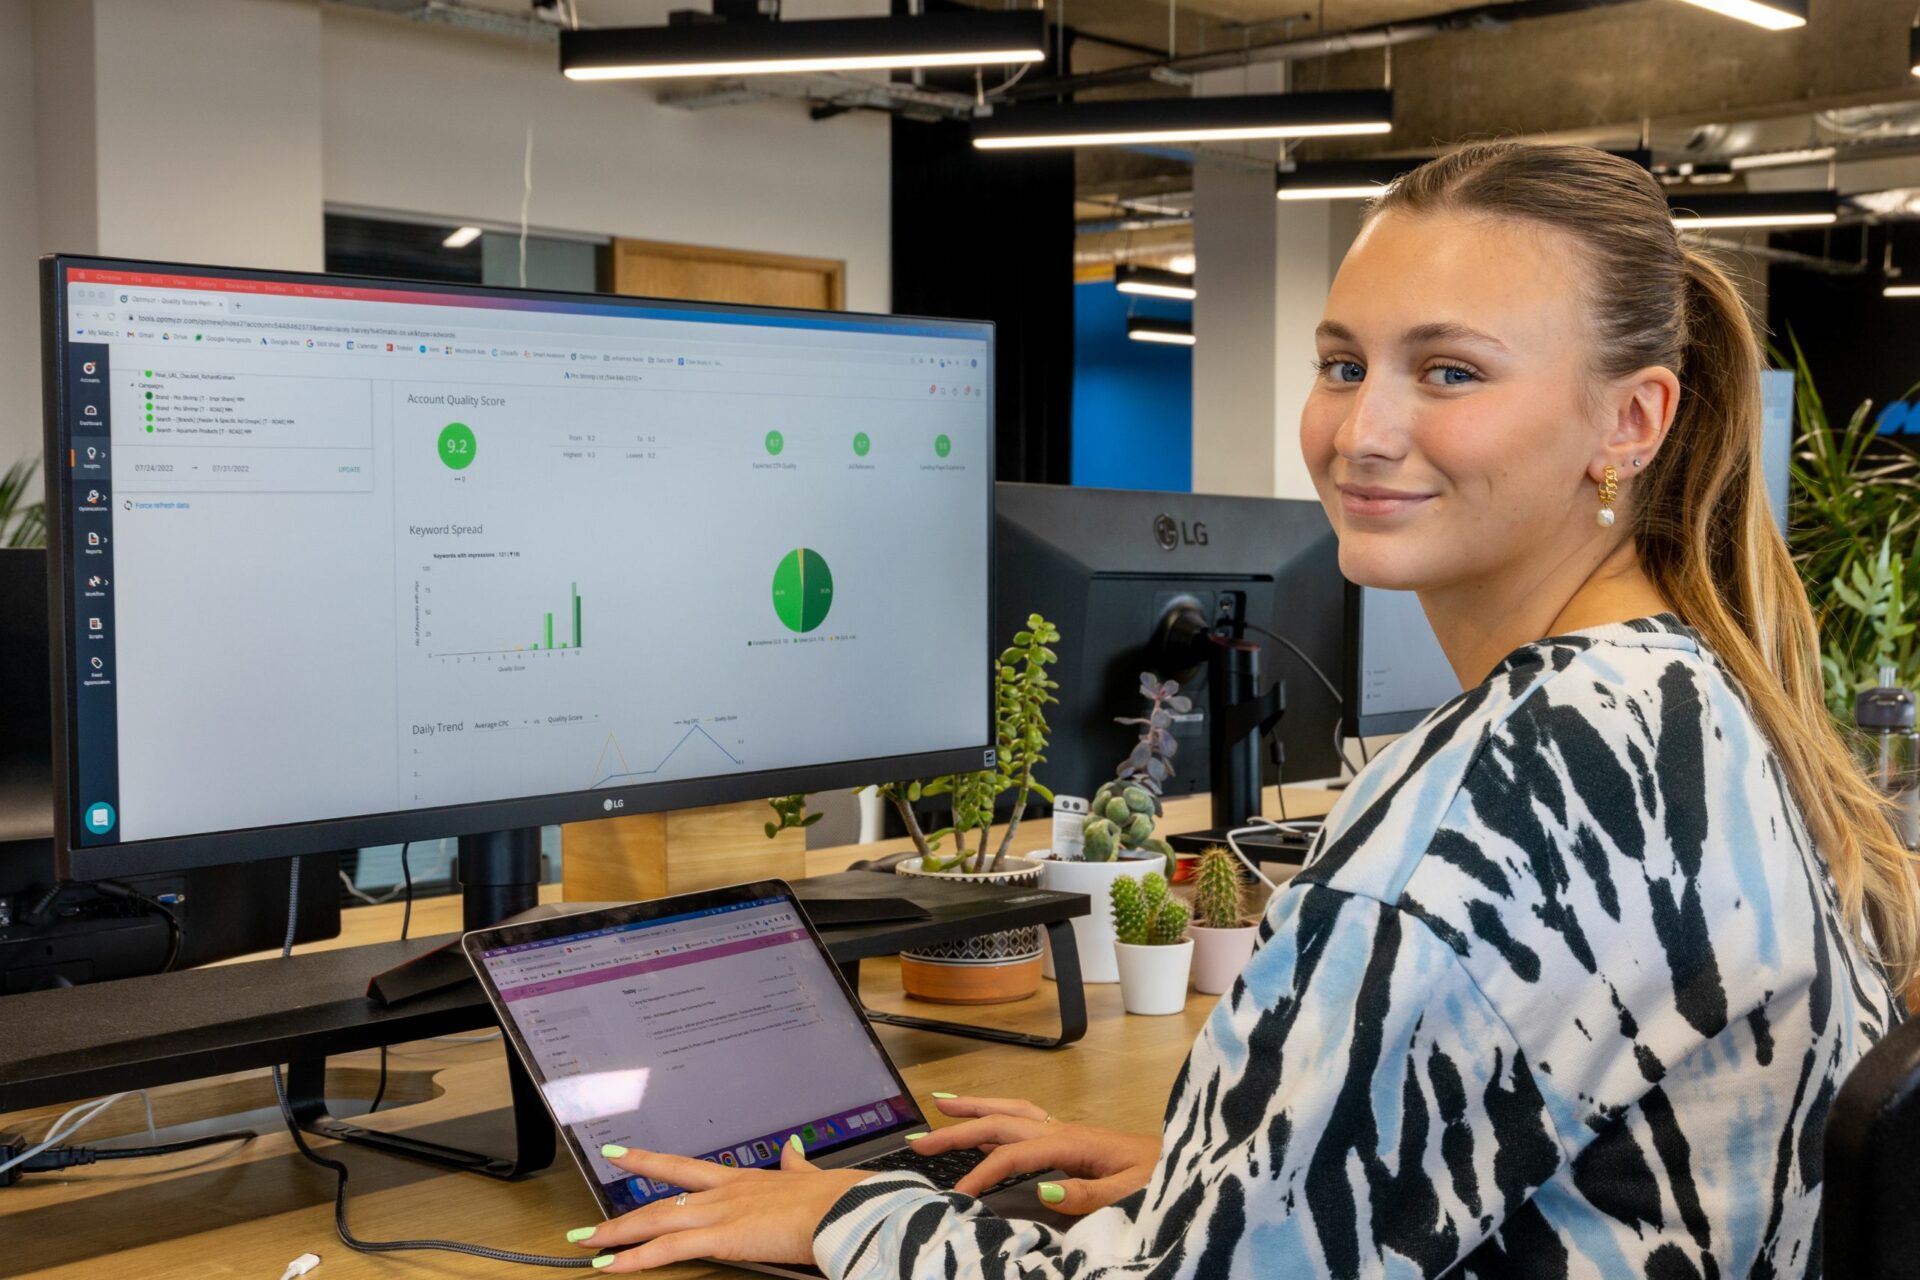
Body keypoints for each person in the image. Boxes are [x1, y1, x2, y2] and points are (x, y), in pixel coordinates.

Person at [565, 143, 1915, 1278]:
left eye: (1450, 373)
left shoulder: (1488, 816)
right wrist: (1240, 1169)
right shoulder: (1714, 707)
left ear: (1631, 422)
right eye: (1342, 363)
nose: (1362, 430)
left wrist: (852, 1218)